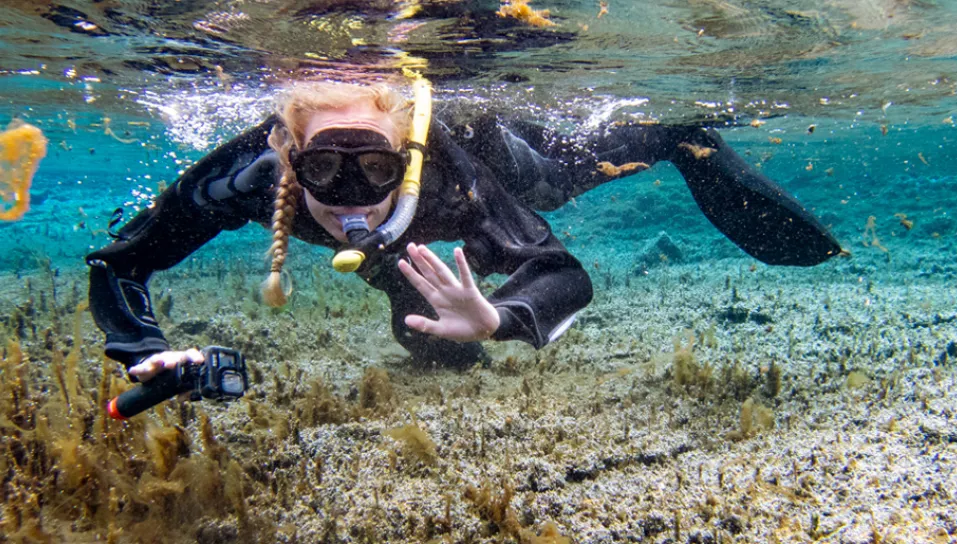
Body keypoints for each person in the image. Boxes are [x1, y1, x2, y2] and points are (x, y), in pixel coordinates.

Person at [86, 79, 842, 382]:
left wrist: (500, 317)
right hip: (412, 237)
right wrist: (144, 352)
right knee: (435, 350)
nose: (354, 196)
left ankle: (683, 141)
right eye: (324, 170)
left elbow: (560, 270)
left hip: (512, 159)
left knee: (562, 172)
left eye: (374, 170)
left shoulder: (455, 175)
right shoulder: (249, 174)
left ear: (407, 159)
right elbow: (120, 265)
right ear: (289, 158)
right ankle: (413, 292)